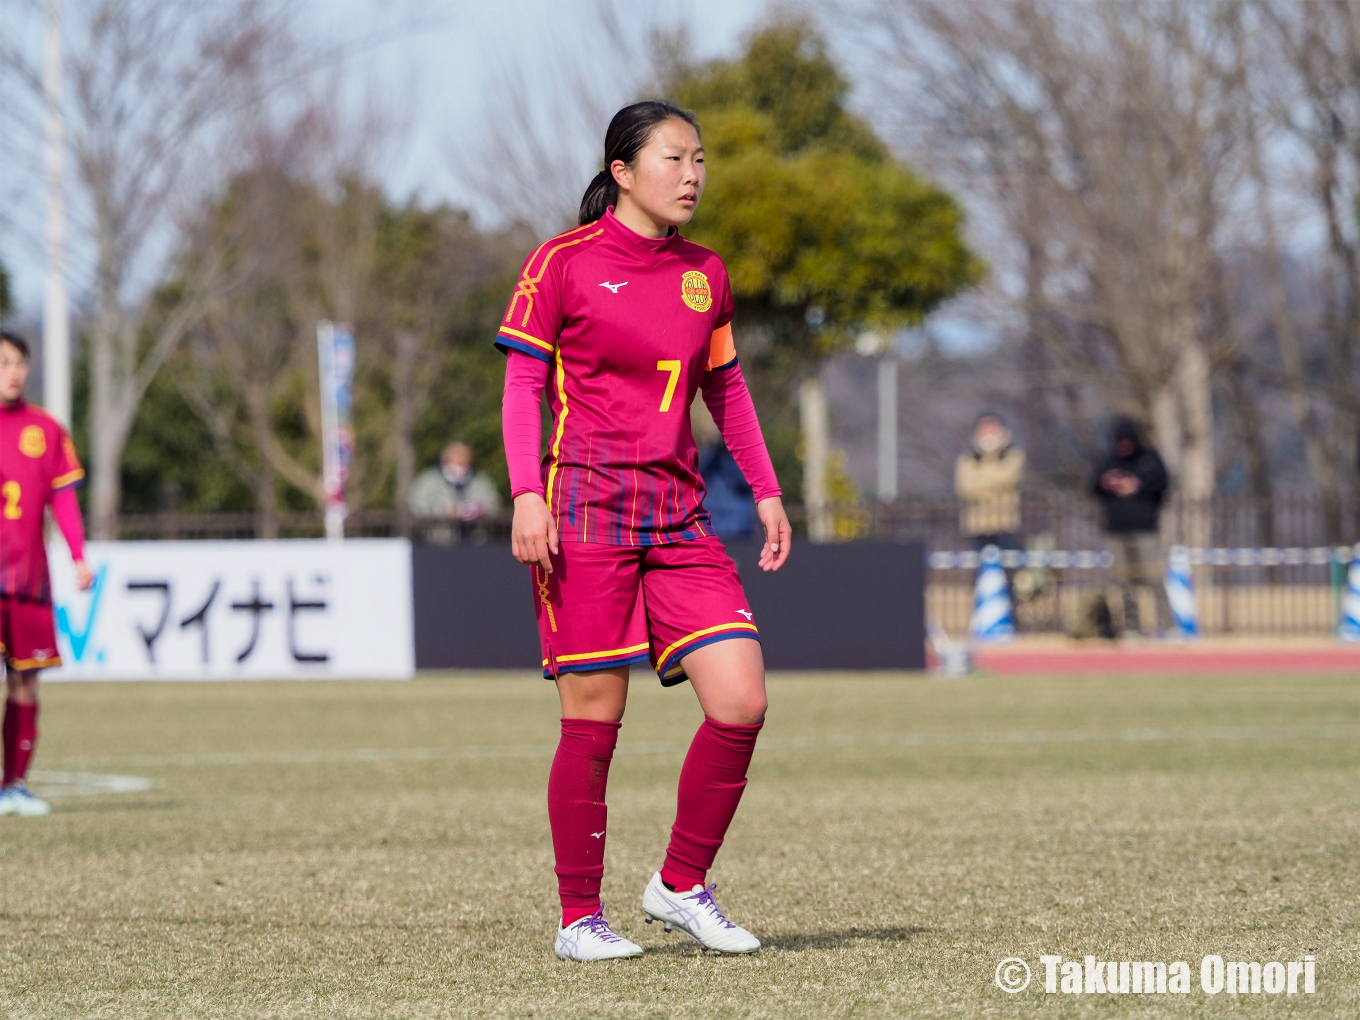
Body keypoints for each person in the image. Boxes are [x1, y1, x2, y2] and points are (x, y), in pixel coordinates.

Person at [497, 101, 790, 961]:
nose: (693, 174)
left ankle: (681, 885)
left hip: (680, 515)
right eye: (674, 158)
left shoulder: (708, 272)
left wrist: (767, 492)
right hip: (582, 510)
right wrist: (525, 495)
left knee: (742, 701)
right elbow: (523, 389)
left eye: (700, 159)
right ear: (622, 171)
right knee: (594, 720)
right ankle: (578, 918)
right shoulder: (562, 263)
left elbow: (726, 392)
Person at [0, 331, 93, 816]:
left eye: (19, 362)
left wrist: (78, 555)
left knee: (25, 681)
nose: (12, 371)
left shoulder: (46, 429)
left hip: (27, 579)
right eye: (3, 362)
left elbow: (64, 499)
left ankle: (13, 786)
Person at [1090, 417, 1171, 637]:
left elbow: (1164, 484)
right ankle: (1132, 629)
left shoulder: (1149, 459)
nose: (1123, 444)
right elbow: (1092, 486)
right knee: (1122, 584)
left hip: (1145, 531)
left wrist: (1138, 484)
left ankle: (1166, 627)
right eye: (1120, 440)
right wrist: (1108, 483)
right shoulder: (1110, 461)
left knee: (1154, 580)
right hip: (1116, 532)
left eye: (1127, 440)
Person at [954, 412, 1024, 551]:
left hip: (1005, 522)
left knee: (1006, 568)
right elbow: (965, 486)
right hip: (976, 524)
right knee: (979, 570)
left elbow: (1009, 478)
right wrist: (996, 480)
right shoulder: (967, 458)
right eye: (984, 429)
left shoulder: (1013, 454)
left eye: (992, 428)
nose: (988, 433)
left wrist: (979, 479)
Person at [408, 441, 502, 543]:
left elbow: (494, 505)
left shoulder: (480, 481)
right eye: (457, 458)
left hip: (475, 543)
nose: (461, 462)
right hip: (437, 543)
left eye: (465, 458)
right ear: (445, 459)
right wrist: (446, 510)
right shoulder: (428, 480)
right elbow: (417, 506)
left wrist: (479, 509)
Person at [698, 438, 757, 541]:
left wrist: (728, 455)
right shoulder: (713, 457)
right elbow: (697, 476)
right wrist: (714, 450)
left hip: (739, 525)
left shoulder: (742, 456)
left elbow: (746, 481)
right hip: (714, 522)